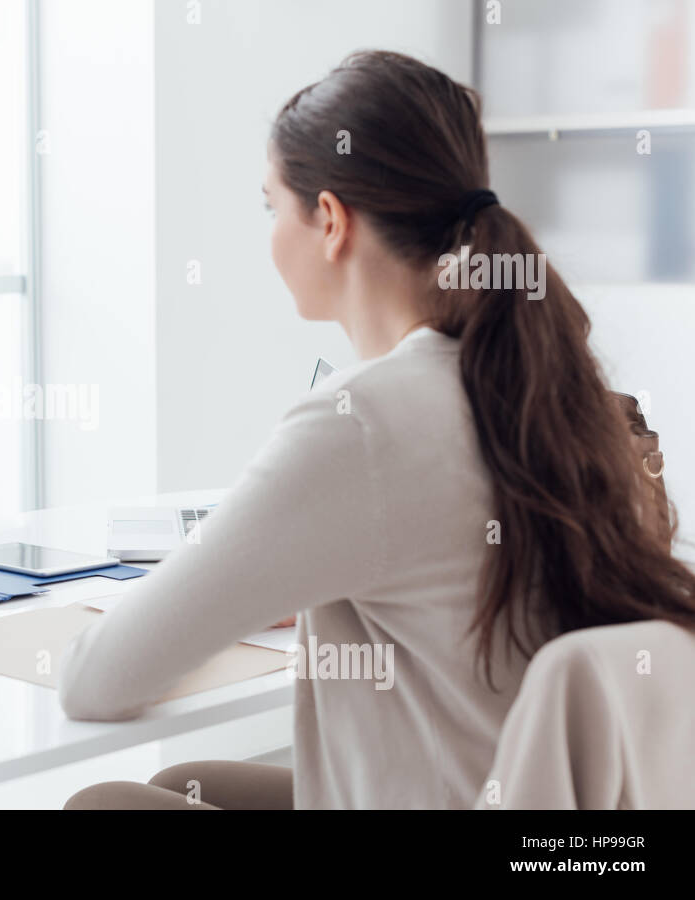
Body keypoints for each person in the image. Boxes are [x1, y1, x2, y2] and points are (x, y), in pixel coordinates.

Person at [59, 51, 695, 810]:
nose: (268, 236)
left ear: (330, 221)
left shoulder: (360, 421)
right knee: (180, 785)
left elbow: (96, 681)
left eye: (272, 208)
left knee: (106, 805)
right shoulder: (544, 385)